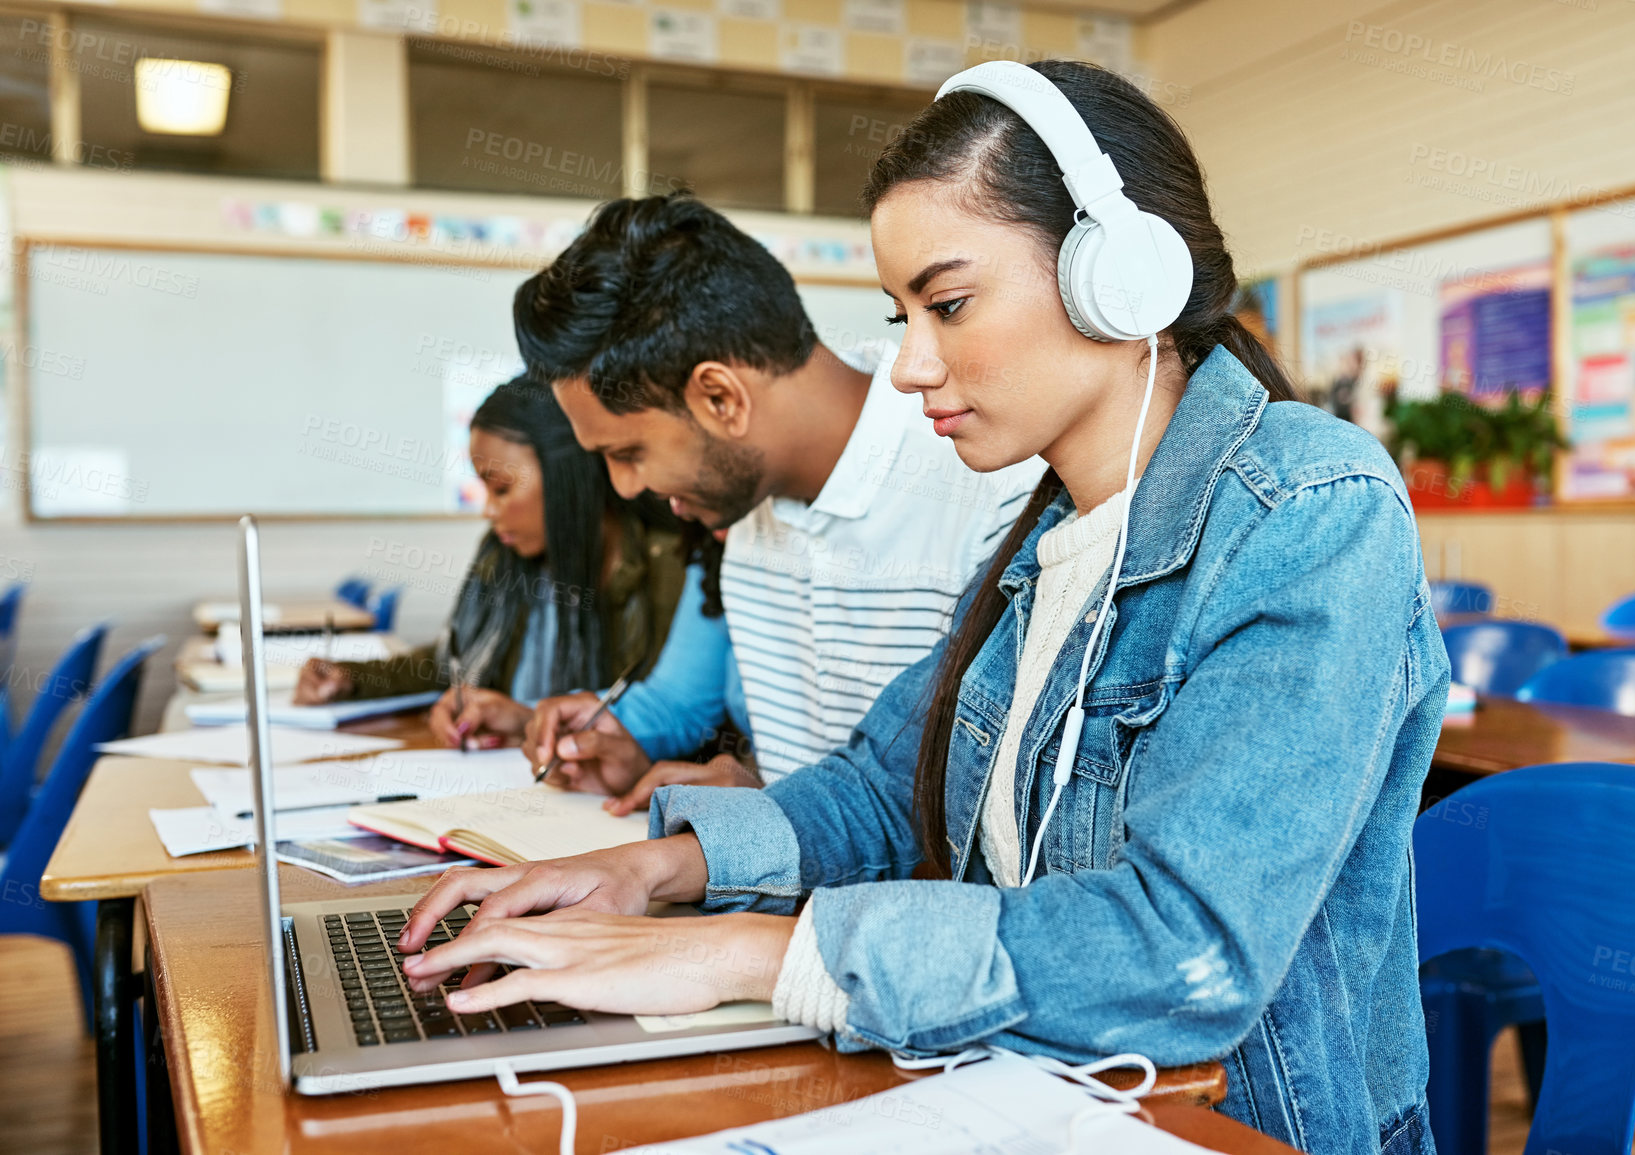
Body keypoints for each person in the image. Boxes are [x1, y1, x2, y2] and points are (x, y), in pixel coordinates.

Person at [399, 60, 1445, 1155]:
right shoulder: (1046, 537)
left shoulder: (1312, 515)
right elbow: (886, 791)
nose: (909, 365)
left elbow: (1184, 952)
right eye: (901, 314)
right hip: (1027, 1094)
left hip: (1233, 1128)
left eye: (946, 304)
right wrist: (653, 868)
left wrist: (757, 954)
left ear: (1119, 277)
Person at [500, 191, 1044, 802]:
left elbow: (984, 826)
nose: (627, 488)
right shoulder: (747, 511)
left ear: (722, 399)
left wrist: (765, 817)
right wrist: (755, 798)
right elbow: (830, 795)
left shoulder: (996, 490)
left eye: (627, 454)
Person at [294, 378, 688, 747]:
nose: (489, 509)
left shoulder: (671, 568)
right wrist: (353, 678)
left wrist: (525, 719)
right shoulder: (505, 554)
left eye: (501, 488)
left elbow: (676, 718)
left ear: (569, 475)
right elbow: (451, 660)